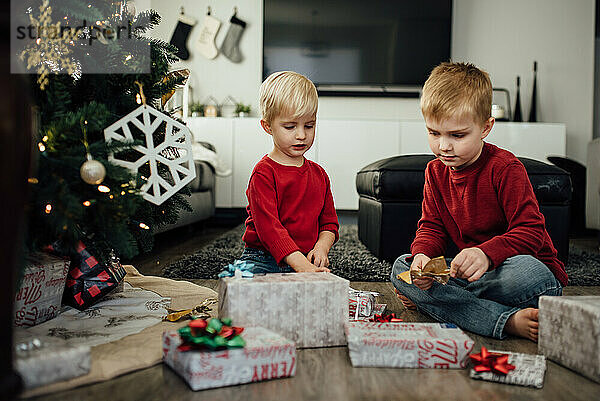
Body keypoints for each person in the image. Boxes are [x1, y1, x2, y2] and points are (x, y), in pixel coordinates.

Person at [390, 62, 567, 342]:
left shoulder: (505, 168)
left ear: (485, 127)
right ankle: (505, 320)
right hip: (472, 278)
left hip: (522, 274)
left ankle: (441, 302)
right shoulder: (435, 172)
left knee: (530, 273)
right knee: (402, 266)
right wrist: (422, 257)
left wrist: (485, 254)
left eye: (457, 135)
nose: (443, 146)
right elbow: (431, 227)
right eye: (434, 133)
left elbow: (531, 232)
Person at [238, 71, 339, 274]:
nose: (301, 135)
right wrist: (302, 267)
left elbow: (329, 224)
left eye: (309, 125)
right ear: (268, 126)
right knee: (250, 296)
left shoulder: (320, 175)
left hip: (304, 258)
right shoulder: (263, 174)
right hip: (263, 258)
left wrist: (321, 248)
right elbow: (270, 231)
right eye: (290, 126)